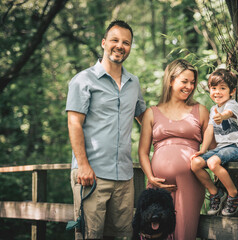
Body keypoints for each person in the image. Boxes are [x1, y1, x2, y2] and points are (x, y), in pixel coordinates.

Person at [138, 60, 238, 239]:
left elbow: (218, 145)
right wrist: (151, 177)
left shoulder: (200, 110)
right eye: (185, 81)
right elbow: (143, 152)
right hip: (158, 186)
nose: (189, 87)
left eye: (192, 82)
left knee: (185, 233)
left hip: (190, 184)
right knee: (154, 234)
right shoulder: (152, 112)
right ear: (170, 80)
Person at [66, 20, 146, 240]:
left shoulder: (133, 83)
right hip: (91, 175)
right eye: (115, 40)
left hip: (124, 177)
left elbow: (145, 118)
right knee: (90, 235)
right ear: (104, 43)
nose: (120, 46)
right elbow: (74, 123)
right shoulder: (83, 80)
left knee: (123, 236)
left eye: (126, 42)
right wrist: (82, 165)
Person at [191, 68, 238, 217]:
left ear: (232, 91)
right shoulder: (213, 109)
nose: (217, 92)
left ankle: (234, 193)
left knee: (212, 163)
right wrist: (203, 150)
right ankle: (215, 192)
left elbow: (228, 113)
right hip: (222, 148)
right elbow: (209, 131)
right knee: (195, 163)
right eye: (214, 88)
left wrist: (222, 117)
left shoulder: (231, 105)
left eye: (222, 88)